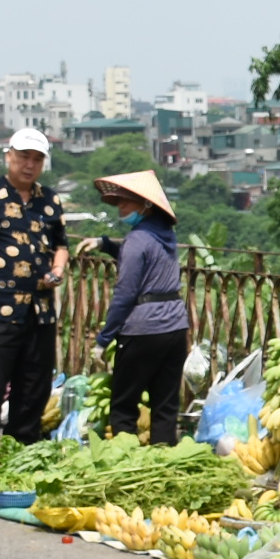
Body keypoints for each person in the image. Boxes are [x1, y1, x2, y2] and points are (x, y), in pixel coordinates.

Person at [0, 127, 70, 454]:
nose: (29, 165)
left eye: (37, 159)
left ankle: (20, 458)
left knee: (33, 391)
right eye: (23, 157)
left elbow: (61, 245)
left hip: (40, 311)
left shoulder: (50, 201)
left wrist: (58, 268)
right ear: (9, 156)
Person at [90, 168, 190, 443]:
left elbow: (125, 293)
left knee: (123, 405)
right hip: (175, 328)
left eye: (126, 201)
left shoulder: (136, 239)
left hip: (143, 330)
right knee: (165, 405)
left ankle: (126, 460)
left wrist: (104, 338)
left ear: (146, 204)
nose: (120, 207)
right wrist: (105, 244)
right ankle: (164, 459)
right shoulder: (165, 235)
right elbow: (139, 256)